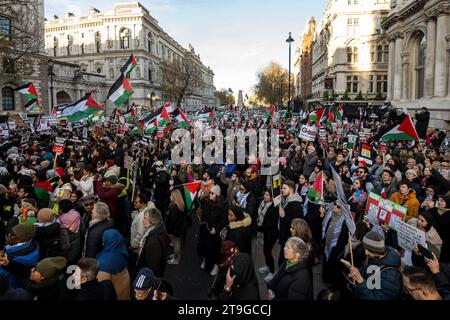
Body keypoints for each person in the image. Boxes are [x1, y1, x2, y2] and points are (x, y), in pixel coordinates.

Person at [348, 231, 403, 300]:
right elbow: (366, 270)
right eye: (365, 248)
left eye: (369, 250)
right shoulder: (373, 257)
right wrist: (357, 272)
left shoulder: (391, 275)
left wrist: (361, 281)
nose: (366, 252)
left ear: (377, 250)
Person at [198, 185, 228, 276]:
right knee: (205, 245)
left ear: (217, 195)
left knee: (215, 249)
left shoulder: (222, 207)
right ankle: (205, 259)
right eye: (210, 192)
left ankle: (215, 264)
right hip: (206, 229)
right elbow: (200, 207)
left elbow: (224, 220)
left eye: (212, 193)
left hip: (215, 232)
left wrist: (217, 229)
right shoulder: (207, 202)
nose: (210, 194)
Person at [0, 223, 40, 289]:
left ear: (19, 239)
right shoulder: (31, 244)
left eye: (12, 235)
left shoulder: (22, 259)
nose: (8, 235)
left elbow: (4, 276)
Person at [321, 201, 350, 288]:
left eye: (338, 206)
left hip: (335, 249)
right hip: (326, 245)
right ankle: (325, 278)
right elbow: (324, 226)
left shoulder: (345, 221)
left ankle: (332, 283)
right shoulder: (329, 214)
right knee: (326, 261)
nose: (335, 207)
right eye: (334, 204)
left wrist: (337, 249)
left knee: (333, 265)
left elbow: (343, 238)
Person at [96, 229, 131, 300]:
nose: (102, 243)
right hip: (124, 293)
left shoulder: (103, 263)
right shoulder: (122, 252)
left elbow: (102, 289)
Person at [136, 208, 170, 278]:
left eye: (145, 218)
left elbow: (152, 268)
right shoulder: (159, 230)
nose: (143, 220)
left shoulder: (153, 243)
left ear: (152, 221)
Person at [278, 181, 303, 267]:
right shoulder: (287, 200)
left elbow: (296, 225)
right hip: (283, 235)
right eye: (282, 188)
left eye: (285, 188)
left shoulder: (296, 204)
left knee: (284, 261)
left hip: (288, 238)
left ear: (291, 190)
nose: (282, 190)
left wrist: (283, 216)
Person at [256, 191, 279, 282]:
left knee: (268, 252)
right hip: (264, 232)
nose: (265, 196)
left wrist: (259, 228)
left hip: (271, 234)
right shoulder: (262, 203)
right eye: (264, 194)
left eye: (267, 195)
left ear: (272, 197)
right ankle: (267, 266)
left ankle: (272, 272)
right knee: (265, 251)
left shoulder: (273, 207)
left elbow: (271, 224)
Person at [165, 189, 187, 265]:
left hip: (174, 230)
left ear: (175, 197)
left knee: (176, 244)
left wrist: (168, 230)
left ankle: (176, 258)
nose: (170, 196)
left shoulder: (174, 207)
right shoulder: (179, 204)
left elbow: (172, 221)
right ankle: (176, 255)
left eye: (171, 195)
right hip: (178, 229)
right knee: (177, 243)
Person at [57, 199, 81, 264]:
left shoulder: (62, 222)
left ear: (61, 209)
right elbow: (82, 229)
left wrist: (61, 253)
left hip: (68, 253)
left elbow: (65, 245)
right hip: (77, 246)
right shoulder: (77, 215)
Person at [430, 195, 450, 263]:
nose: (439, 202)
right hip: (431, 238)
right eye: (438, 200)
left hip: (444, 241)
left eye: (442, 201)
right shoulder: (433, 210)